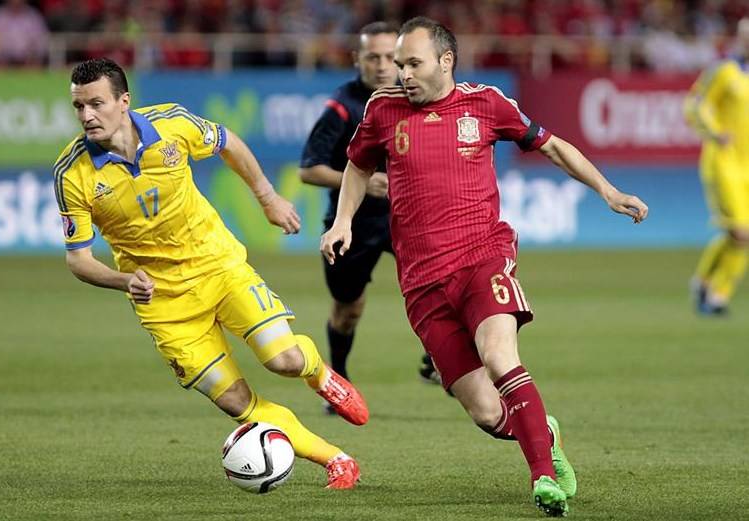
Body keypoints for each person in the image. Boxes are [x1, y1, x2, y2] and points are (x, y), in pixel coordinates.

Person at [321, 17, 648, 516]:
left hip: (482, 259)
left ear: (445, 61)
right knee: (487, 413)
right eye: (399, 64)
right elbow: (359, 165)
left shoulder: (487, 103)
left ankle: (543, 477)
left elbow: (552, 145)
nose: (402, 73)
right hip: (420, 283)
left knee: (499, 357)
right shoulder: (383, 109)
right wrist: (343, 220)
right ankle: (544, 432)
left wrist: (608, 191)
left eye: (413, 63)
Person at [53, 58, 368, 489]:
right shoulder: (72, 173)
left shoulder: (172, 125)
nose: (87, 115)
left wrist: (268, 198)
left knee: (284, 360)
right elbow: (79, 259)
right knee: (237, 401)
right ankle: (336, 460)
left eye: (96, 104)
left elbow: (228, 142)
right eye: (79, 106)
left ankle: (321, 374)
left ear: (124, 101)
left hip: (218, 266)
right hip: (164, 304)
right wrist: (124, 280)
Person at [299, 22, 440, 408]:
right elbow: (309, 170)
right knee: (348, 309)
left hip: (405, 217)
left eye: (389, 58)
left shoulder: (415, 96)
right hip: (353, 223)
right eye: (372, 57)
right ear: (356, 59)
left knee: (440, 286)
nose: (381, 66)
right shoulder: (341, 107)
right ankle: (339, 380)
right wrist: (368, 182)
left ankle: (438, 359)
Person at [684, 17, 749, 316]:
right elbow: (695, 103)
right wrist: (714, 132)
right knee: (742, 232)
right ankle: (717, 296)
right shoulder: (724, 71)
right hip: (725, 163)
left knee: (738, 234)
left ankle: (703, 282)